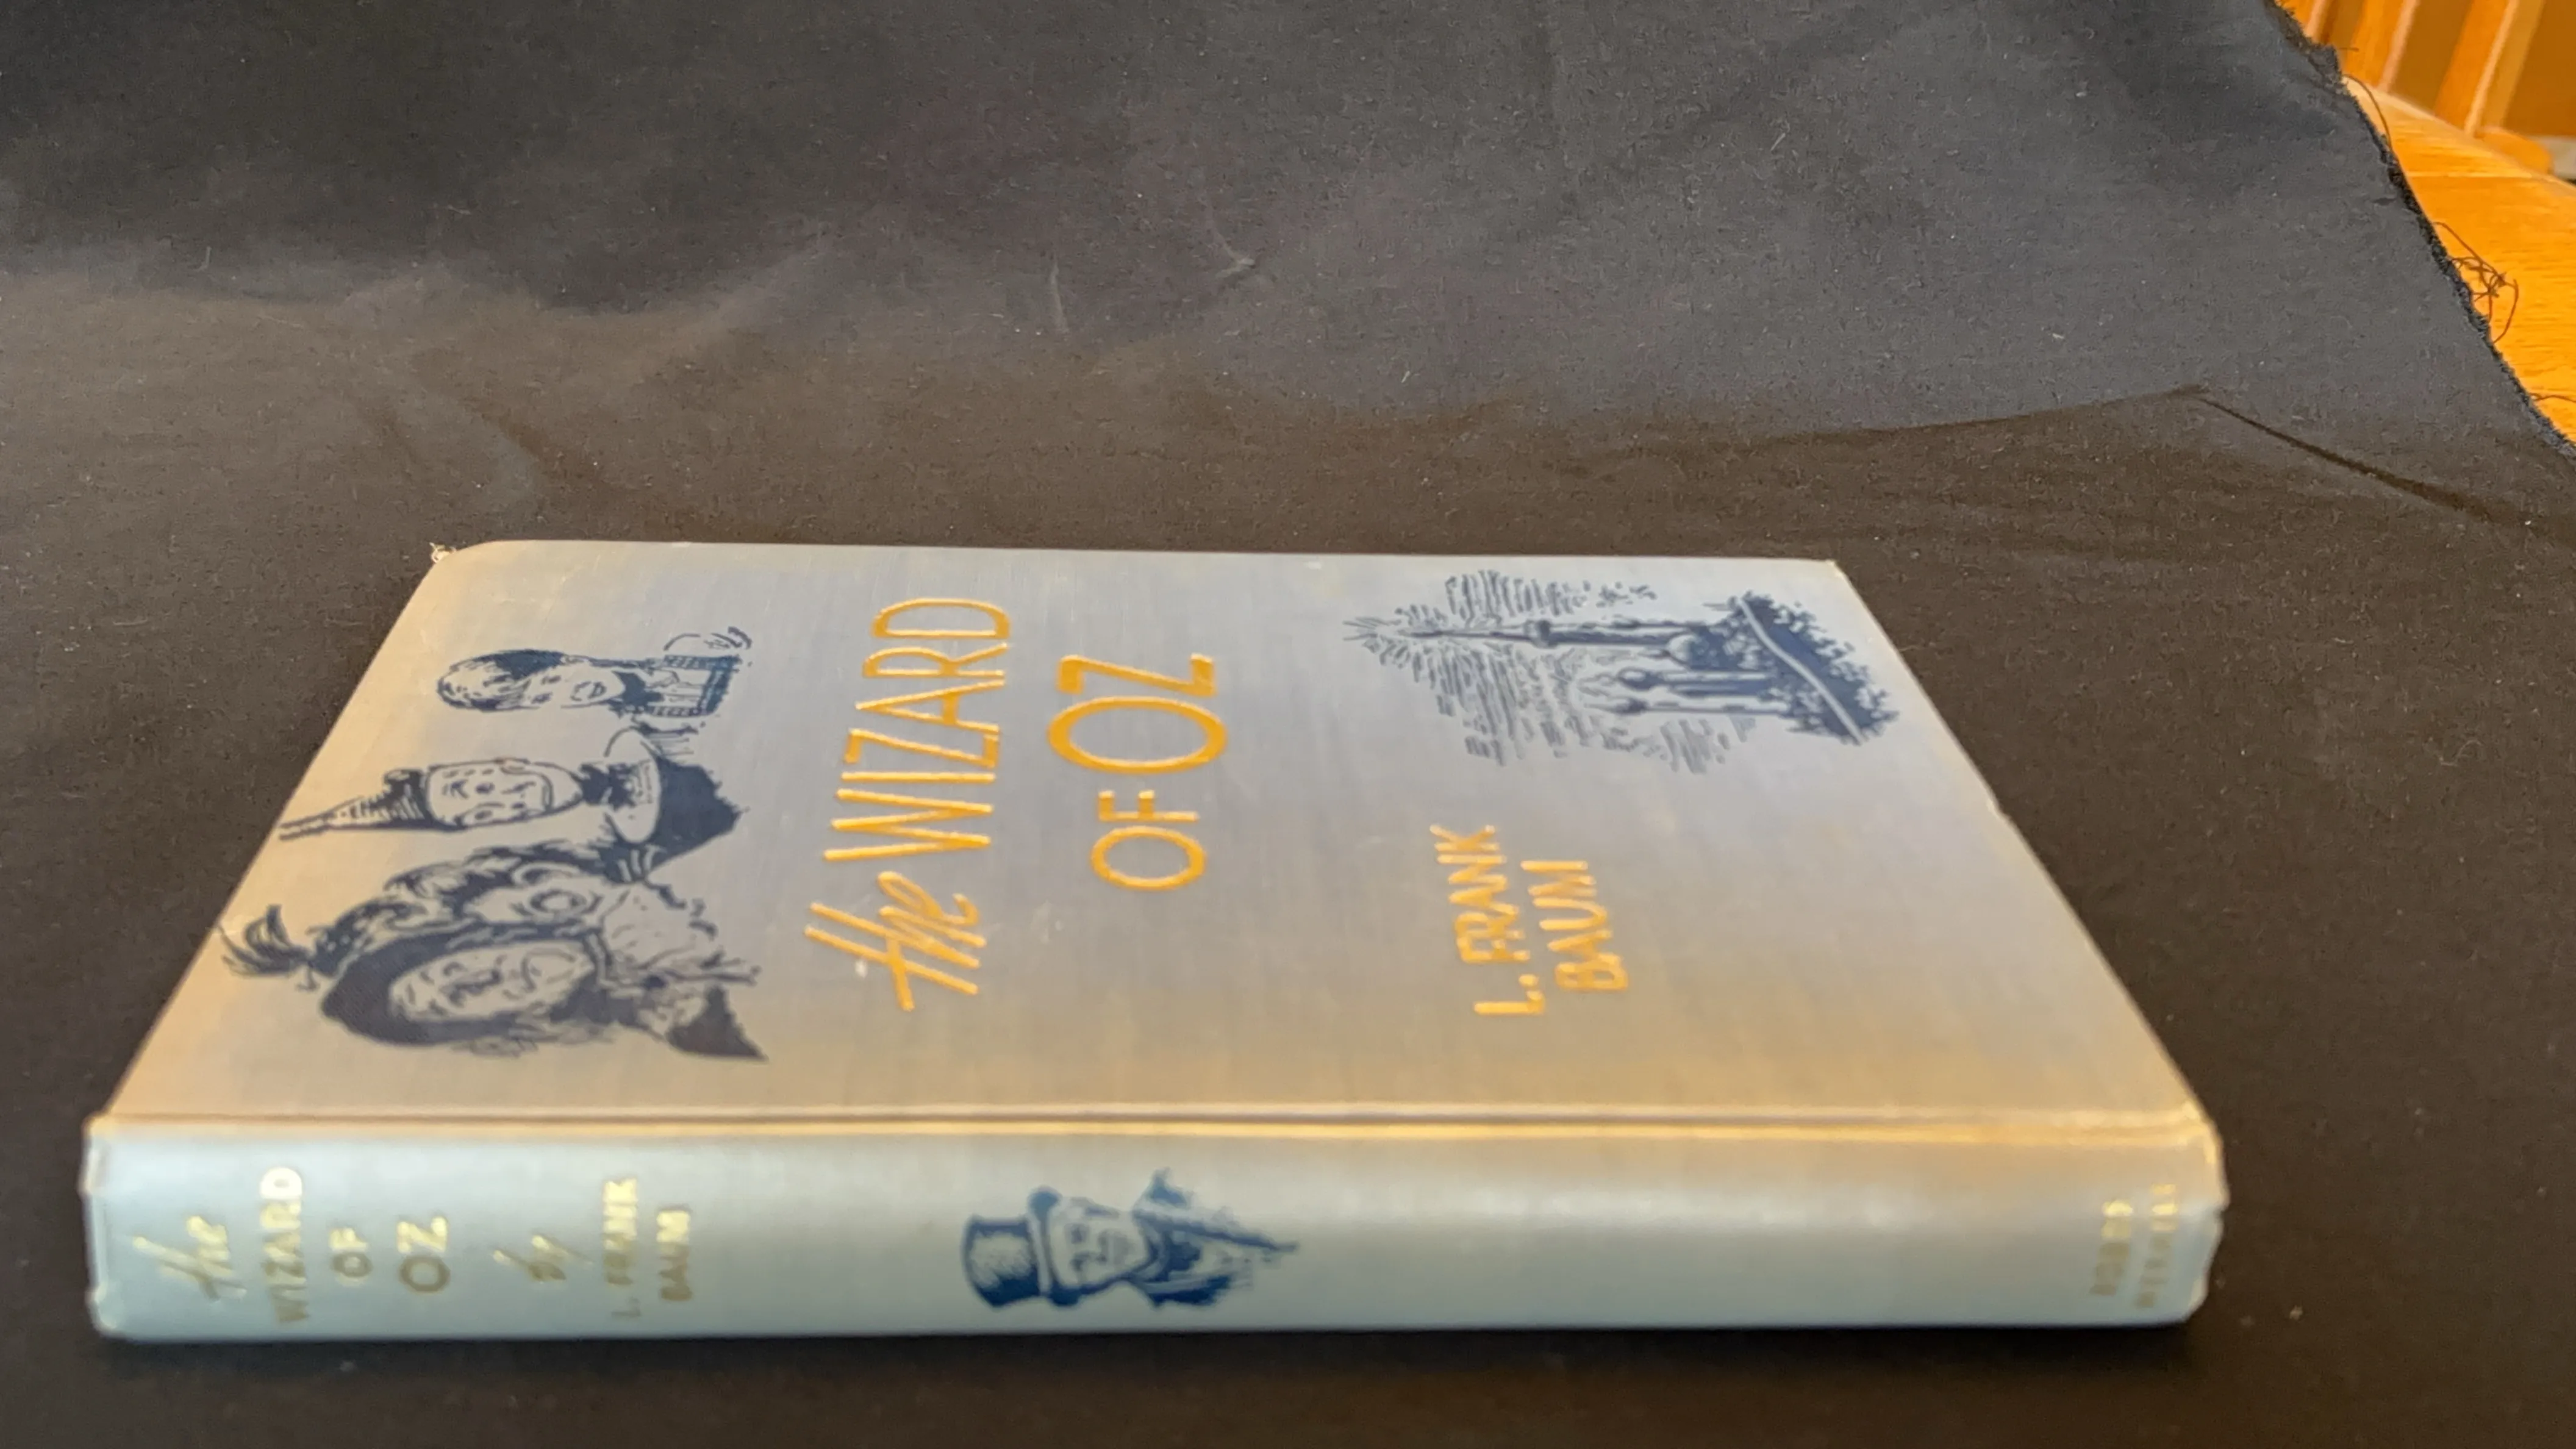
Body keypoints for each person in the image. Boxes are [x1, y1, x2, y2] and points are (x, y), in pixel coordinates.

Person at [225, 843, 760, 1058]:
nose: (484, 979)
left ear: (473, 942)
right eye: (459, 1000)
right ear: (499, 1020)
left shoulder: (604, 884)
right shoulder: (680, 1023)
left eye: (453, 971)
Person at [276, 729, 740, 881]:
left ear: (508, 763)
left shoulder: (643, 732)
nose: (502, 799)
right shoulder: (637, 837)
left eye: (474, 784)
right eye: (484, 814)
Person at [961, 1171, 1295, 1309]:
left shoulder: (1180, 1183)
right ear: (1087, 1290)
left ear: (1081, 1207)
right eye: (1080, 1266)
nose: (1098, 1249)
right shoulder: (1188, 1299)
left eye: (1078, 1234)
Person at [437, 628, 750, 724]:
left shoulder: (688, 648)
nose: (569, 692)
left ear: (573, 660)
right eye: (544, 699)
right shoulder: (655, 726)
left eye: (553, 680)